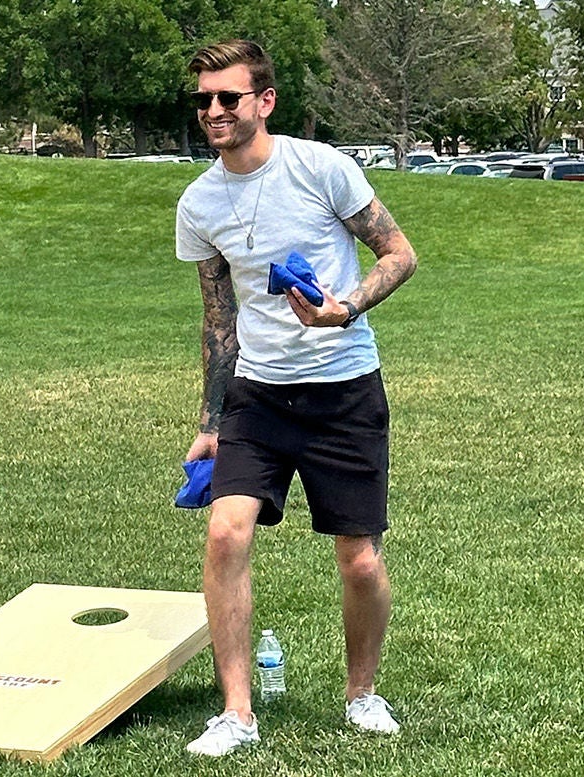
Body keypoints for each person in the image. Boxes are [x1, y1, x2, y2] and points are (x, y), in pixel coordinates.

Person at [174, 39, 418, 756]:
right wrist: (210, 422)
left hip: (344, 390)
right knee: (225, 533)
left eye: (228, 98)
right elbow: (219, 319)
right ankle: (237, 713)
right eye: (203, 101)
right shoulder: (199, 202)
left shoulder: (321, 169)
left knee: (361, 560)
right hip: (259, 397)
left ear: (264, 101)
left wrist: (346, 307)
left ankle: (363, 694)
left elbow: (400, 252)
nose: (213, 111)